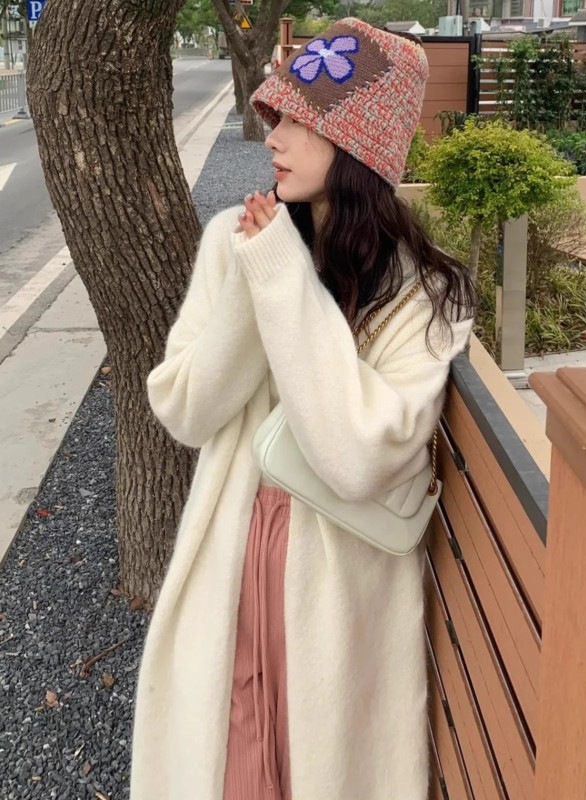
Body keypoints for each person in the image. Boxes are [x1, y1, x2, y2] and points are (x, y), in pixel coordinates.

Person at [130, 17, 477, 800]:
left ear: (357, 146)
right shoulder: (234, 242)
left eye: (298, 120)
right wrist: (257, 282)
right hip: (229, 563)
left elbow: (358, 456)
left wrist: (284, 281)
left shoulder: (423, 297)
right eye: (274, 115)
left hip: (336, 598)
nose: (273, 137)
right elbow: (184, 410)